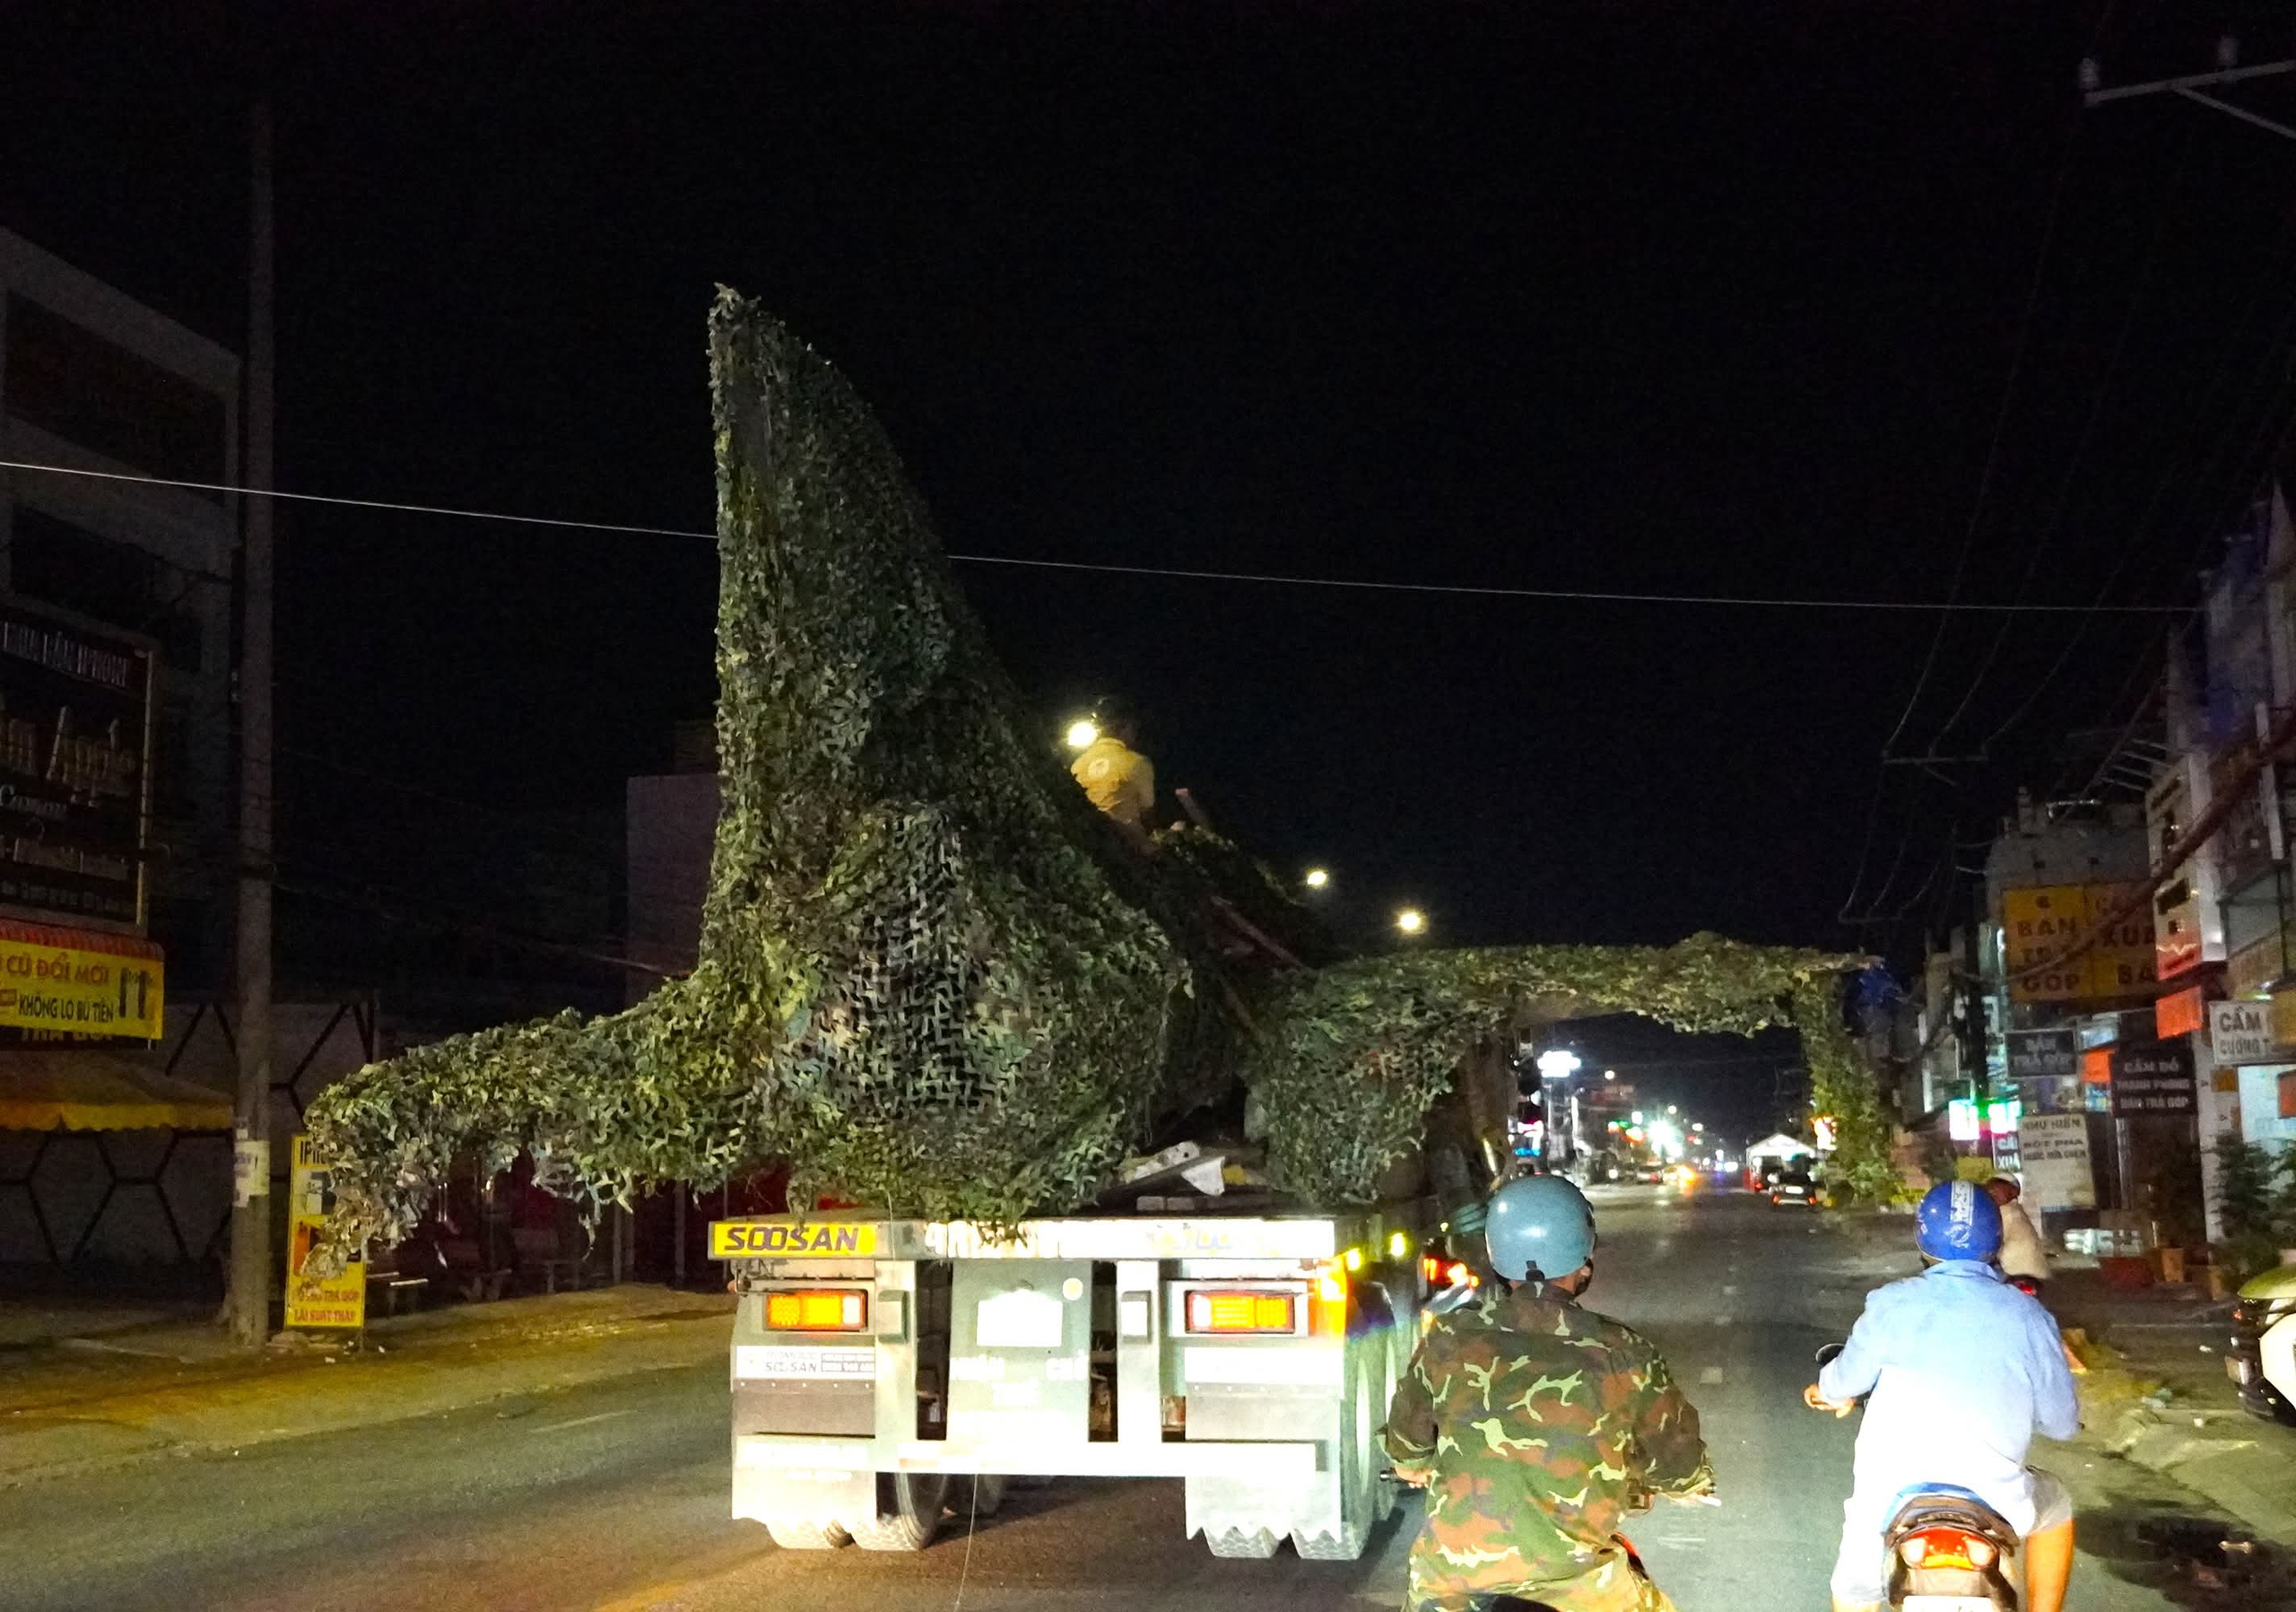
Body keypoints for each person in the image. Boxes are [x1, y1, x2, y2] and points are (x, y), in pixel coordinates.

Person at [1382, 1175, 1714, 1612]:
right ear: (1584, 1258)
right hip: (1581, 1592)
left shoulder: (1448, 1338)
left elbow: (1405, 1449)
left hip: (1451, 1589)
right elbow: (1677, 1462)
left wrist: (1414, 1466)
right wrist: (1688, 1485)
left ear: (1497, 1254)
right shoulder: (1625, 1353)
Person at [1805, 1180, 2079, 1612]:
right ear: (1997, 1239)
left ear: (1920, 1236)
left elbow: (1841, 1384)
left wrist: (1824, 1391)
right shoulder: (2030, 1315)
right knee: (2056, 1502)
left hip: (1892, 1506)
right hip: (1996, 1508)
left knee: (1858, 1587)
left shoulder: (1892, 1303)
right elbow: (2062, 1424)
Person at [1068, 697, 1156, 840]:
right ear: (1126, 727)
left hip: (1083, 835)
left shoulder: (1077, 765)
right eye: (1134, 728)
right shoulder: (1138, 763)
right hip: (1126, 843)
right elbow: (1147, 810)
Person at [1987, 1175, 2051, 1292]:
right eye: (1990, 1189)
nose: (1992, 1192)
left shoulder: (2006, 1211)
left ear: (2013, 1191)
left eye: (1997, 1189)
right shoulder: (2016, 1210)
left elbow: (1991, 1239)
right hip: (2035, 1271)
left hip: (2014, 1271)